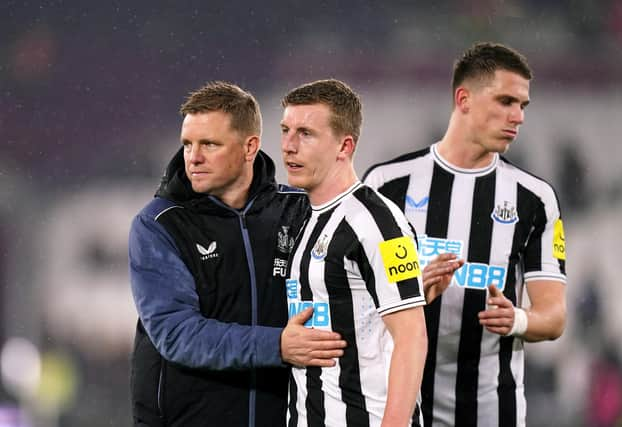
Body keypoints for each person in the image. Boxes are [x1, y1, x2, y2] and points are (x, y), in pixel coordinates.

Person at [363, 42, 567, 427]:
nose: (517, 117)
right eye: (506, 101)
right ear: (464, 98)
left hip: (491, 409)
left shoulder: (534, 198)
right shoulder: (386, 185)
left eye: (523, 105)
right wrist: (408, 296)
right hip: (400, 404)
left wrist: (517, 320)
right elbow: (353, 303)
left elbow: (554, 316)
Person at [129, 81, 347, 427]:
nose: (193, 157)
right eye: (187, 144)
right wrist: (277, 345)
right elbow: (177, 334)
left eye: (209, 144)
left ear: (250, 147)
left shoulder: (299, 209)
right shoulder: (160, 224)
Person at [280, 79, 428, 427]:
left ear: (344, 146)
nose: (288, 146)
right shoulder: (300, 217)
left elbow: (412, 337)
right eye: (285, 130)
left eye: (306, 133)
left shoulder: (377, 222)